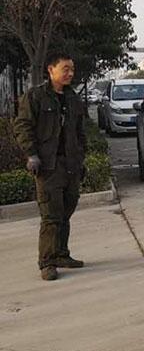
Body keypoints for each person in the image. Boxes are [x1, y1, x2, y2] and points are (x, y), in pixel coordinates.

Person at [14, 52, 87, 280]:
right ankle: (46, 261)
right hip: (48, 166)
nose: (70, 73)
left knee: (67, 210)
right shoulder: (35, 97)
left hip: (70, 165)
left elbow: (79, 132)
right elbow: (22, 126)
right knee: (51, 215)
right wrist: (31, 154)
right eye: (65, 69)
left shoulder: (73, 98)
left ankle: (61, 254)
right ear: (50, 70)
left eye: (72, 69)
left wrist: (81, 158)